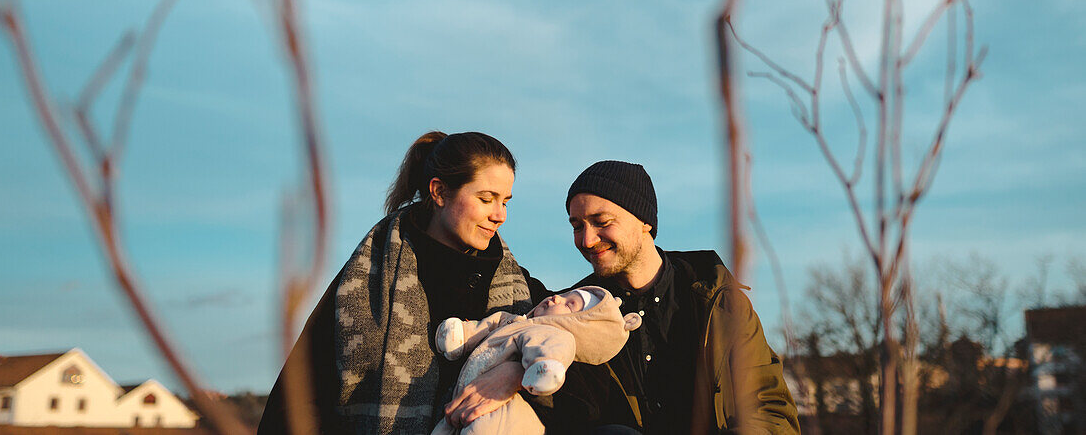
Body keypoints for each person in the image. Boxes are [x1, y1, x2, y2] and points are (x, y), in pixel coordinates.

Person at [257, 131, 551, 435]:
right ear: (438, 192)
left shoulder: (516, 287)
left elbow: (584, 334)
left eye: (505, 201)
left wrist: (517, 372)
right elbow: (300, 395)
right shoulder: (365, 280)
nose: (499, 215)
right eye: (486, 198)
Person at [563, 160, 800, 434]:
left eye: (601, 222)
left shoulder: (718, 302)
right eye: (577, 226)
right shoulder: (574, 314)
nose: (587, 240)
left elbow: (771, 412)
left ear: (645, 222)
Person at [429, 286, 642, 435]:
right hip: (460, 406)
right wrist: (461, 335)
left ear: (578, 325)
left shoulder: (550, 332)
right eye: (565, 295)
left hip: (505, 413)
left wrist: (537, 371)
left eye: (570, 305)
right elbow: (488, 325)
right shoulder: (516, 320)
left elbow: (553, 349)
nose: (556, 298)